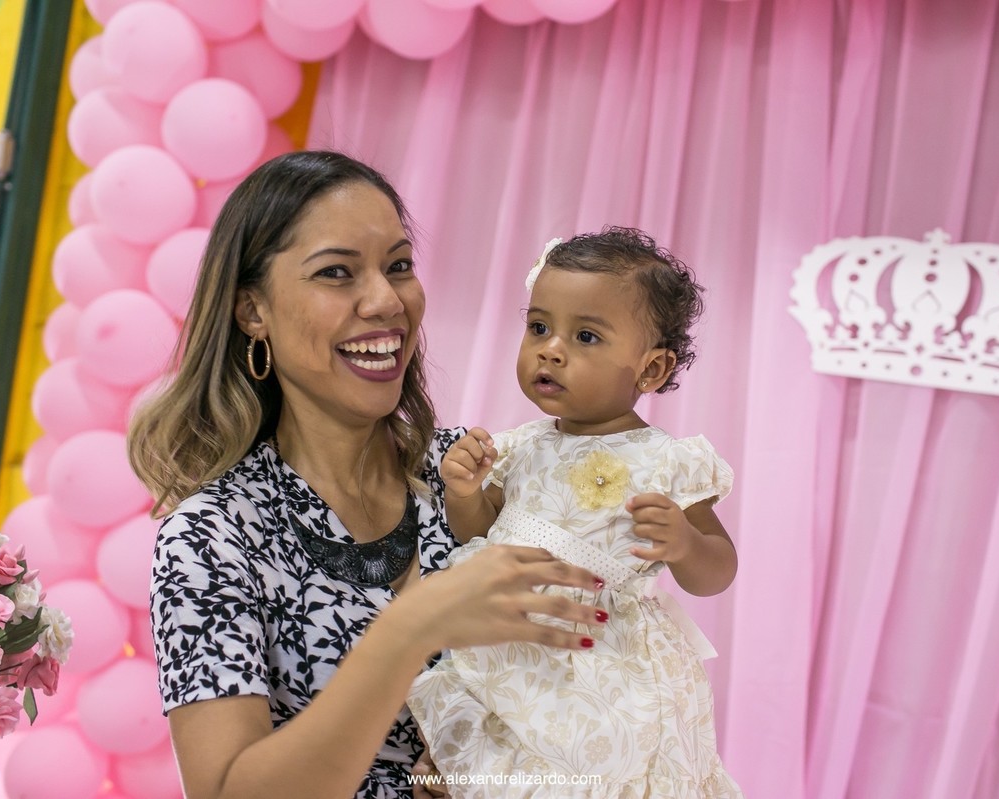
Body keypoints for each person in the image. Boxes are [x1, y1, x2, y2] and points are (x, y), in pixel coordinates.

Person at [127, 150, 607, 799]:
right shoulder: (214, 535)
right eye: (337, 273)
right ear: (252, 311)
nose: (386, 300)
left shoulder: (473, 471)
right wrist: (412, 627)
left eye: (399, 266)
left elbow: (589, 695)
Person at [407, 228, 744, 798]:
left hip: (596, 660)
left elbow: (719, 570)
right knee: (480, 755)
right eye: (539, 326)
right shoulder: (522, 446)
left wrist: (686, 542)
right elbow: (483, 534)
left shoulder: (666, 462)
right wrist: (465, 493)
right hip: (507, 642)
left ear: (651, 370)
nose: (551, 348)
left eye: (585, 336)